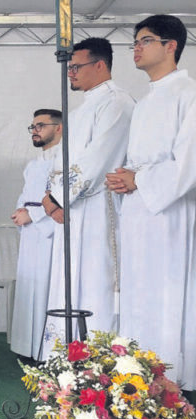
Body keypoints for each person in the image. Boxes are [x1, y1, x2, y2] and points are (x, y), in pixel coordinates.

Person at [107, 14, 196, 392]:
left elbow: (188, 162)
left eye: (144, 40)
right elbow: (143, 159)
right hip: (140, 210)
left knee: (165, 290)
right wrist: (125, 177)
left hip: (169, 212)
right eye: (135, 43)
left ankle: (169, 378)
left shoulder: (188, 95)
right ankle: (134, 371)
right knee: (138, 290)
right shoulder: (146, 101)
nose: (136, 49)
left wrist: (139, 179)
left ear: (171, 45)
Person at [39, 38, 134, 359]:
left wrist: (58, 198)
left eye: (76, 67)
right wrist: (51, 199)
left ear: (100, 65)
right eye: (69, 67)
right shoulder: (80, 110)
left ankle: (97, 364)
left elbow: (99, 160)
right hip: (70, 209)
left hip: (98, 209)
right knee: (68, 282)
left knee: (96, 283)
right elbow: (58, 160)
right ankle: (63, 361)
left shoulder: (117, 103)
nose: (70, 73)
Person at [8, 110, 60, 361]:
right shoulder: (33, 164)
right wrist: (21, 212)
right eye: (32, 126)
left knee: (46, 286)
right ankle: (27, 347)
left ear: (59, 128)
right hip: (31, 232)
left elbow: (61, 199)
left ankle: (48, 352)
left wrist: (34, 216)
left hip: (50, 233)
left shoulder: (64, 161)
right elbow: (26, 193)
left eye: (41, 125)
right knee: (30, 285)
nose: (35, 130)